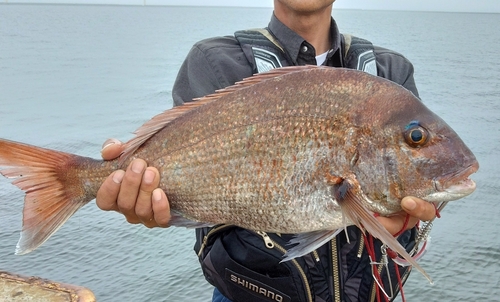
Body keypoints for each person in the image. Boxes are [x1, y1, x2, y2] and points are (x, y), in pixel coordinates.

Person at [96, 1, 437, 301]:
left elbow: (420, 177)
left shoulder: (392, 72)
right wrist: (147, 196)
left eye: (416, 138)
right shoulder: (215, 63)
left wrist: (419, 210)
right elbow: (186, 178)